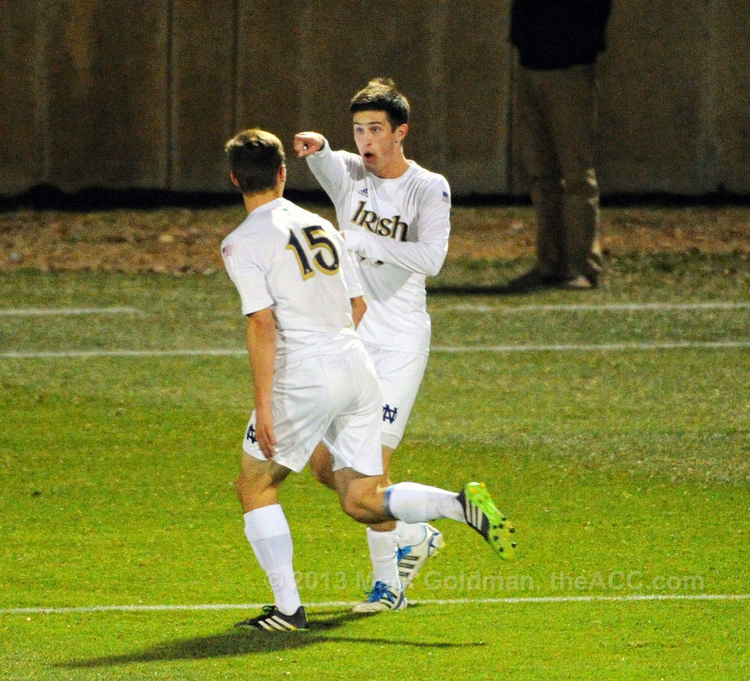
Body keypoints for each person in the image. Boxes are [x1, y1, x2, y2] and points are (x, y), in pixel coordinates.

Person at [222, 129, 515, 632]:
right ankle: (456, 505)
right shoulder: (322, 226)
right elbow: (358, 304)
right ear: (283, 174)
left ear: (233, 180)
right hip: (356, 364)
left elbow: (262, 324)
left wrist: (267, 404)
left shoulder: (240, 242)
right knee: (360, 496)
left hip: (305, 375)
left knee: (255, 485)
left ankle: (288, 609)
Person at [293, 78, 453, 613]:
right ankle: (414, 534)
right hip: (351, 335)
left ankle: (389, 587)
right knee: (321, 465)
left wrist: (365, 242)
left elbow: (432, 259)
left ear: (400, 132)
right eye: (358, 128)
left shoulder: (429, 187)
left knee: (367, 472)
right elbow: (325, 158)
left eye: (376, 129)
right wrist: (315, 145)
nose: (365, 138)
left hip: (399, 342)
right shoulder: (351, 174)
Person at [506, 0, 612, 291]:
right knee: (542, 175)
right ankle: (550, 264)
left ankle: (582, 266)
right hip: (532, 61)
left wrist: (580, 48)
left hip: (569, 66)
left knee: (577, 173)